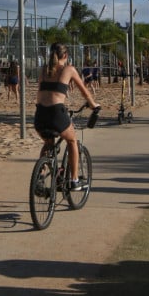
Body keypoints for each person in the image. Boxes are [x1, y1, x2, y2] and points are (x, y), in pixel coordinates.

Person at [34, 42, 100, 191]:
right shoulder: (68, 69)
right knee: (72, 141)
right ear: (65, 56)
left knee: (48, 144)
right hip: (56, 113)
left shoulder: (44, 69)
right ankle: (74, 180)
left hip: (39, 115)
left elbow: (41, 91)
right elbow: (84, 91)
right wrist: (93, 105)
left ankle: (39, 178)